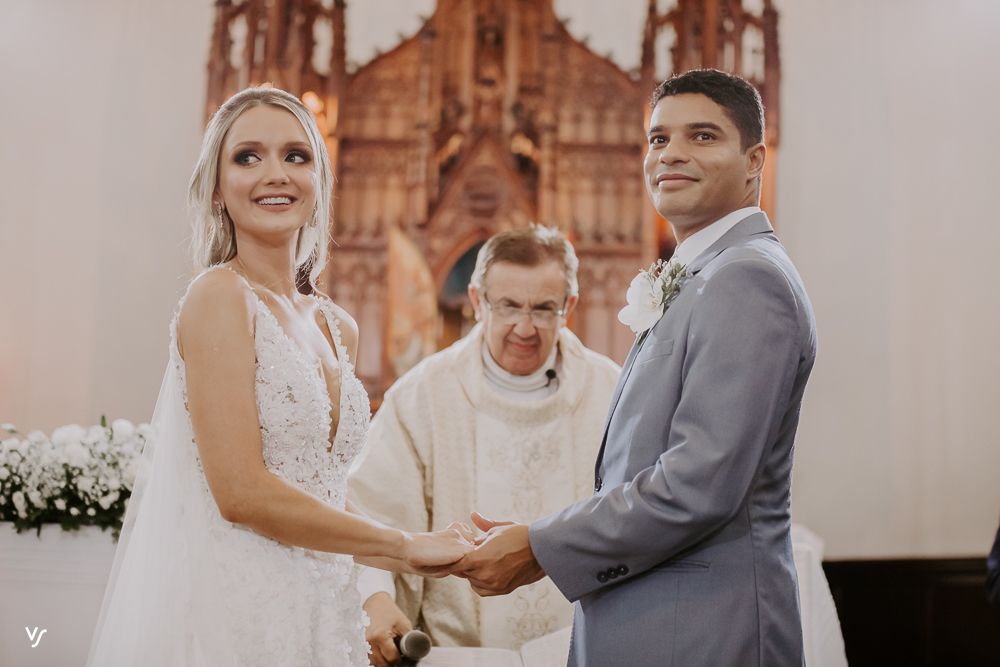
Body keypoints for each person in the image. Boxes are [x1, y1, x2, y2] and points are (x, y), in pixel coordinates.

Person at [87, 86, 472, 667]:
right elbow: (241, 493)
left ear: (319, 183)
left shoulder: (340, 326)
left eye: (297, 156)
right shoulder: (218, 297)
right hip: (237, 614)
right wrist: (403, 548)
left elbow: (326, 492)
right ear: (217, 190)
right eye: (248, 157)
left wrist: (387, 575)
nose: (276, 174)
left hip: (324, 615)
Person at [457, 68, 818, 667]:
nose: (671, 154)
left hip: (701, 633)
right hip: (660, 623)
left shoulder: (747, 279)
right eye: (658, 139)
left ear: (754, 160)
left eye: (702, 137)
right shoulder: (707, 274)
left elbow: (697, 484)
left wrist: (540, 546)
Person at [348, 226, 621, 666]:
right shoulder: (423, 395)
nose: (525, 328)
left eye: (544, 309)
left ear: (569, 306)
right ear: (477, 301)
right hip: (460, 656)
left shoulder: (611, 391)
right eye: (509, 306)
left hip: (580, 651)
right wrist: (375, 599)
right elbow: (373, 517)